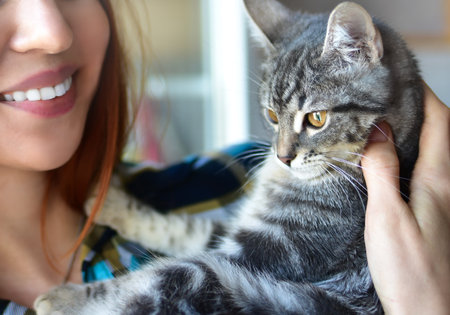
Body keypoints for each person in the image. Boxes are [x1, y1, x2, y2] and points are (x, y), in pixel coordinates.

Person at [0, 1, 448, 314]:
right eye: (275, 116)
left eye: (312, 119)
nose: (282, 153)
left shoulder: (223, 175)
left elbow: (242, 257)